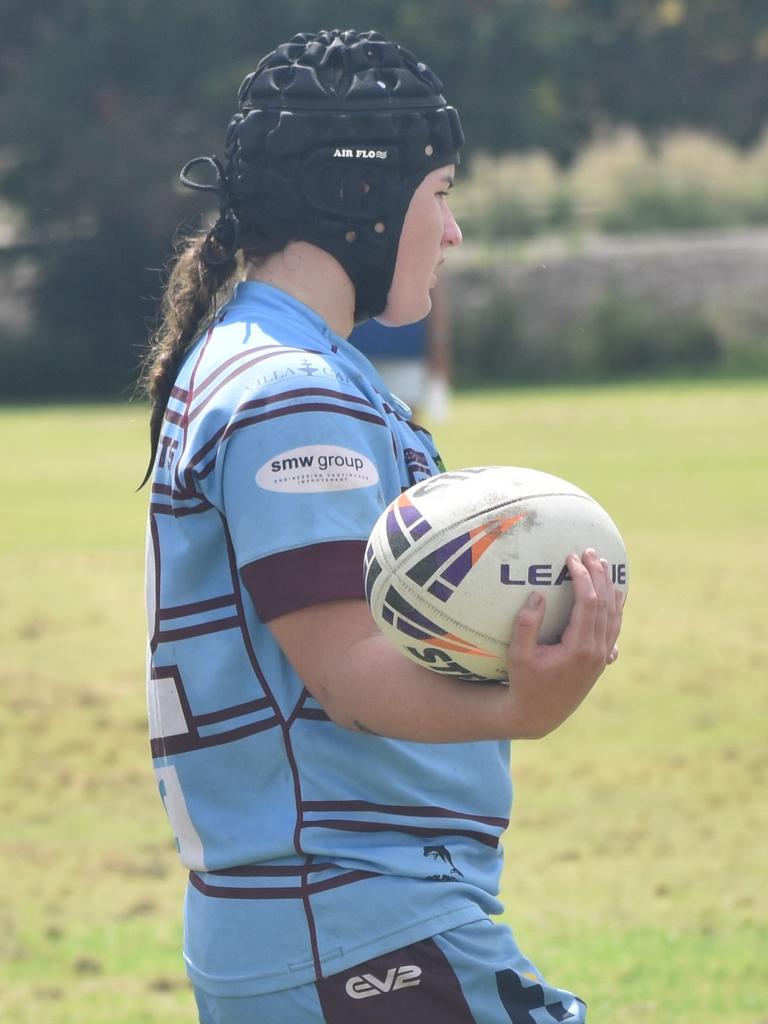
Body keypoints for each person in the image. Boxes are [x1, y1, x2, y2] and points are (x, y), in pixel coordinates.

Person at [140, 28, 623, 1024]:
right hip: (353, 924)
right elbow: (351, 671)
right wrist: (523, 705)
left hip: (334, 925)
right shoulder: (291, 392)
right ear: (360, 197)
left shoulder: (274, 360)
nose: (452, 232)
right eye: (439, 192)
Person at [349, 277, 452, 421]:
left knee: (406, 423)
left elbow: (434, 286)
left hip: (405, 347)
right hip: (357, 347)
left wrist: (438, 346)